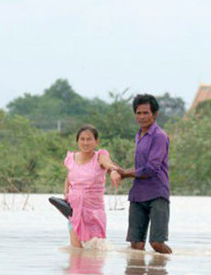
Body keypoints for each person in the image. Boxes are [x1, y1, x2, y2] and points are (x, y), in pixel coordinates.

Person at [117, 94, 172, 254]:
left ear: (154, 114)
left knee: (157, 243)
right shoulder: (138, 135)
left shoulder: (159, 136)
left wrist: (125, 173)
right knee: (136, 245)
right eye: (138, 113)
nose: (142, 117)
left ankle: (169, 269)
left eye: (146, 113)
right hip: (138, 194)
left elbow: (151, 168)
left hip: (157, 194)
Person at [64, 125, 121, 248]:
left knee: (96, 251)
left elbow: (108, 164)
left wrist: (113, 171)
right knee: (76, 253)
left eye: (89, 139)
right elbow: (69, 177)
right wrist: (66, 195)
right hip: (74, 211)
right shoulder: (71, 158)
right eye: (82, 139)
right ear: (77, 141)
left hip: (93, 212)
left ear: (96, 142)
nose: (85, 142)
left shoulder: (100, 156)